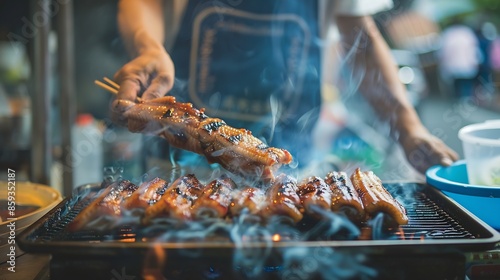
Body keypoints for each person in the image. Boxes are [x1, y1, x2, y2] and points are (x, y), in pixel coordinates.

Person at [112, 0, 458, 175]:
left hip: (287, 174)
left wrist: (408, 126)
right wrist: (148, 47)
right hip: (176, 173)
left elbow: (359, 33)